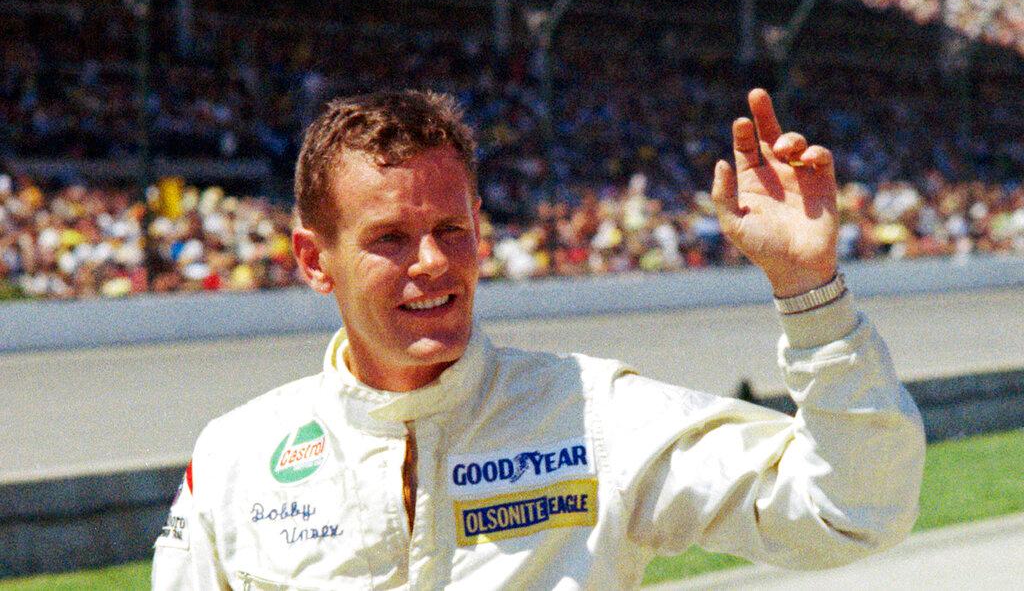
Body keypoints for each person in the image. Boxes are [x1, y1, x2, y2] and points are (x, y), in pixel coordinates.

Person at [152, 89, 925, 589]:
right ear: (316, 261)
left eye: (452, 229)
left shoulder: (595, 415)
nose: (432, 263)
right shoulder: (237, 457)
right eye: (390, 237)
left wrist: (809, 290)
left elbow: (850, 508)